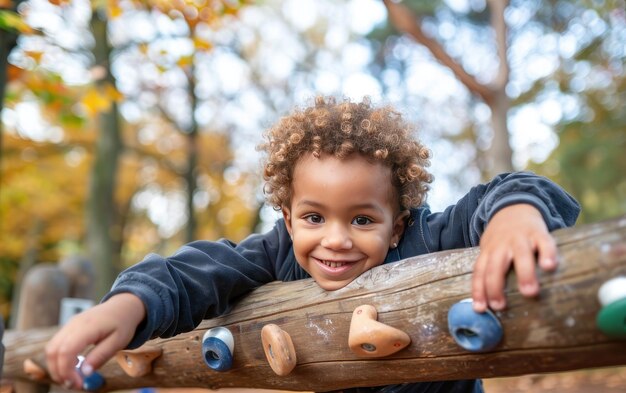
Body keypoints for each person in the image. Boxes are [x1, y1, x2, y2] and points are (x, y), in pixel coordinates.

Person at [45, 96, 580, 392]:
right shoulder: (276, 254)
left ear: (397, 224)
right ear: (287, 215)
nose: (337, 239)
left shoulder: (426, 238)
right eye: (314, 217)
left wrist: (513, 218)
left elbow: (512, 187)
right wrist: (125, 304)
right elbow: (195, 273)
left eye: (363, 218)